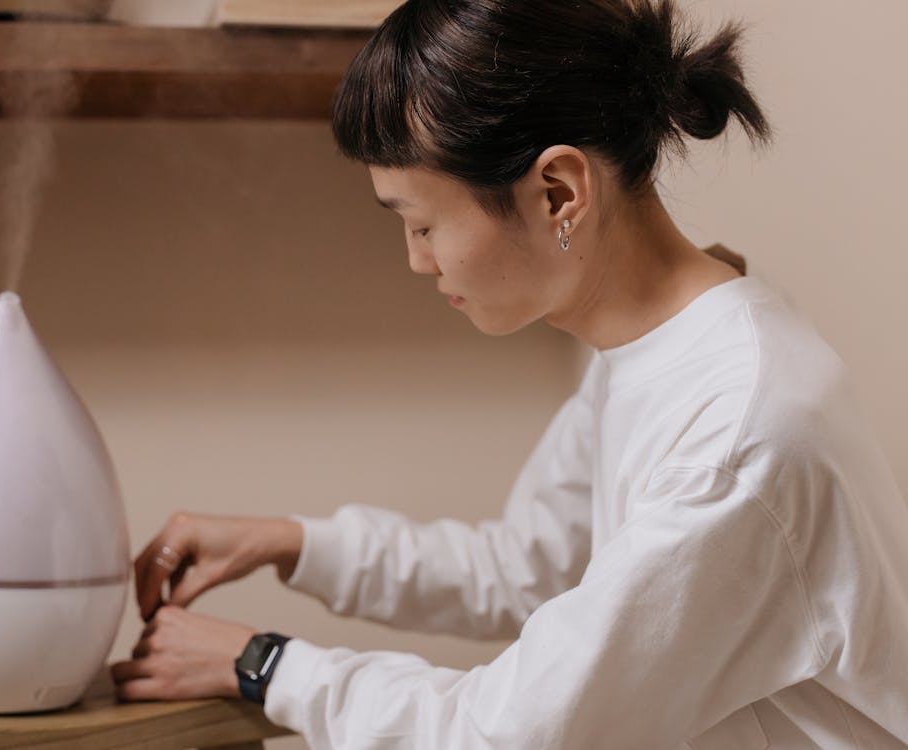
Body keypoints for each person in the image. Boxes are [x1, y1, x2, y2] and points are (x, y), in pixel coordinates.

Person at [110, 0, 908, 746]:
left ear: (559, 192)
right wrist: (291, 544)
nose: (417, 262)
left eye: (422, 224)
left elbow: (511, 732)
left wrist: (264, 664)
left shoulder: (736, 434)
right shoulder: (657, 344)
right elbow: (530, 566)